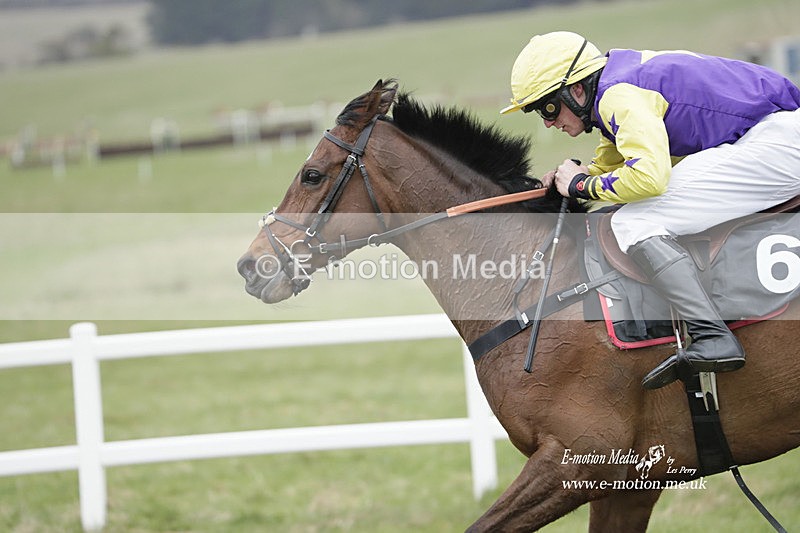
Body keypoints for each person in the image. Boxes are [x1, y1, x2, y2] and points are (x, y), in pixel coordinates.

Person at [501, 31, 800, 389]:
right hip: (771, 135)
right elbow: (608, 168)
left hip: (778, 142)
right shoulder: (614, 87)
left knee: (636, 219)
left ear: (576, 90)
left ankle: (713, 336)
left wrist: (580, 185)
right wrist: (573, 180)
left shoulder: (618, 97)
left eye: (548, 107)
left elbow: (649, 179)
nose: (548, 122)